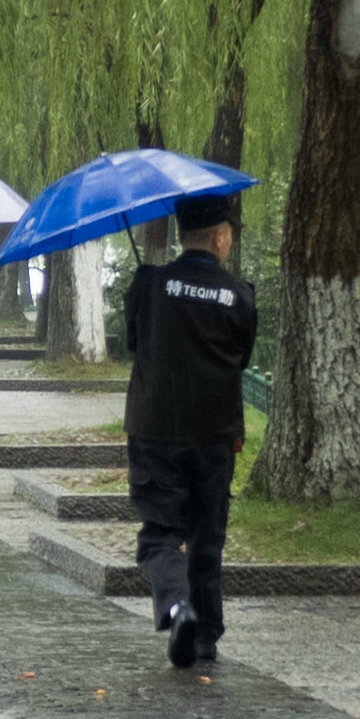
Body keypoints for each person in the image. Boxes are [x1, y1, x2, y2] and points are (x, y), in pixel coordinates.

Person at [119, 200, 259, 668]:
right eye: (230, 233)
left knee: (160, 532)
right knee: (207, 535)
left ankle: (178, 607)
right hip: (215, 432)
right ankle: (205, 637)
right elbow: (241, 357)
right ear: (219, 237)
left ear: (183, 236)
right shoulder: (239, 295)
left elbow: (134, 343)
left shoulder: (149, 284)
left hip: (155, 429)